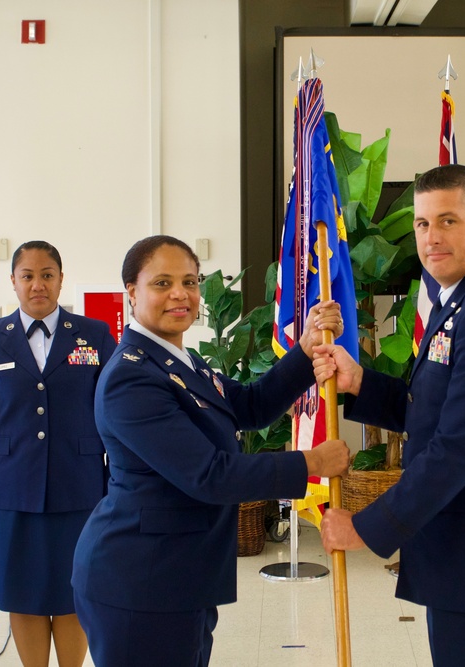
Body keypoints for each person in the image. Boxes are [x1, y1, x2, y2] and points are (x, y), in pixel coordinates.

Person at [314, 164, 465, 666]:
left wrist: (366, 528)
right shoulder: (464, 299)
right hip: (462, 549)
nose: (431, 238)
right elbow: (434, 410)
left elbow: (458, 448)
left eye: (447, 221)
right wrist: (359, 381)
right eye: (422, 224)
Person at [71, 235, 349, 666]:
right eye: (162, 283)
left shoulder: (182, 362)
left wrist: (307, 346)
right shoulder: (132, 378)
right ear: (132, 292)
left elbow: (250, 406)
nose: (180, 293)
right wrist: (310, 463)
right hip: (140, 580)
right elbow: (210, 476)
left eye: (189, 281)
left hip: (180, 574)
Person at [0, 240, 117, 667]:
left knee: (74, 589)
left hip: (80, 483)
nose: (38, 284)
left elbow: (116, 411)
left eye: (47, 274)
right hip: (13, 487)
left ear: (61, 279)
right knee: (22, 592)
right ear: (13, 281)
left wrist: (118, 481)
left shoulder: (95, 334)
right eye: (27, 275)